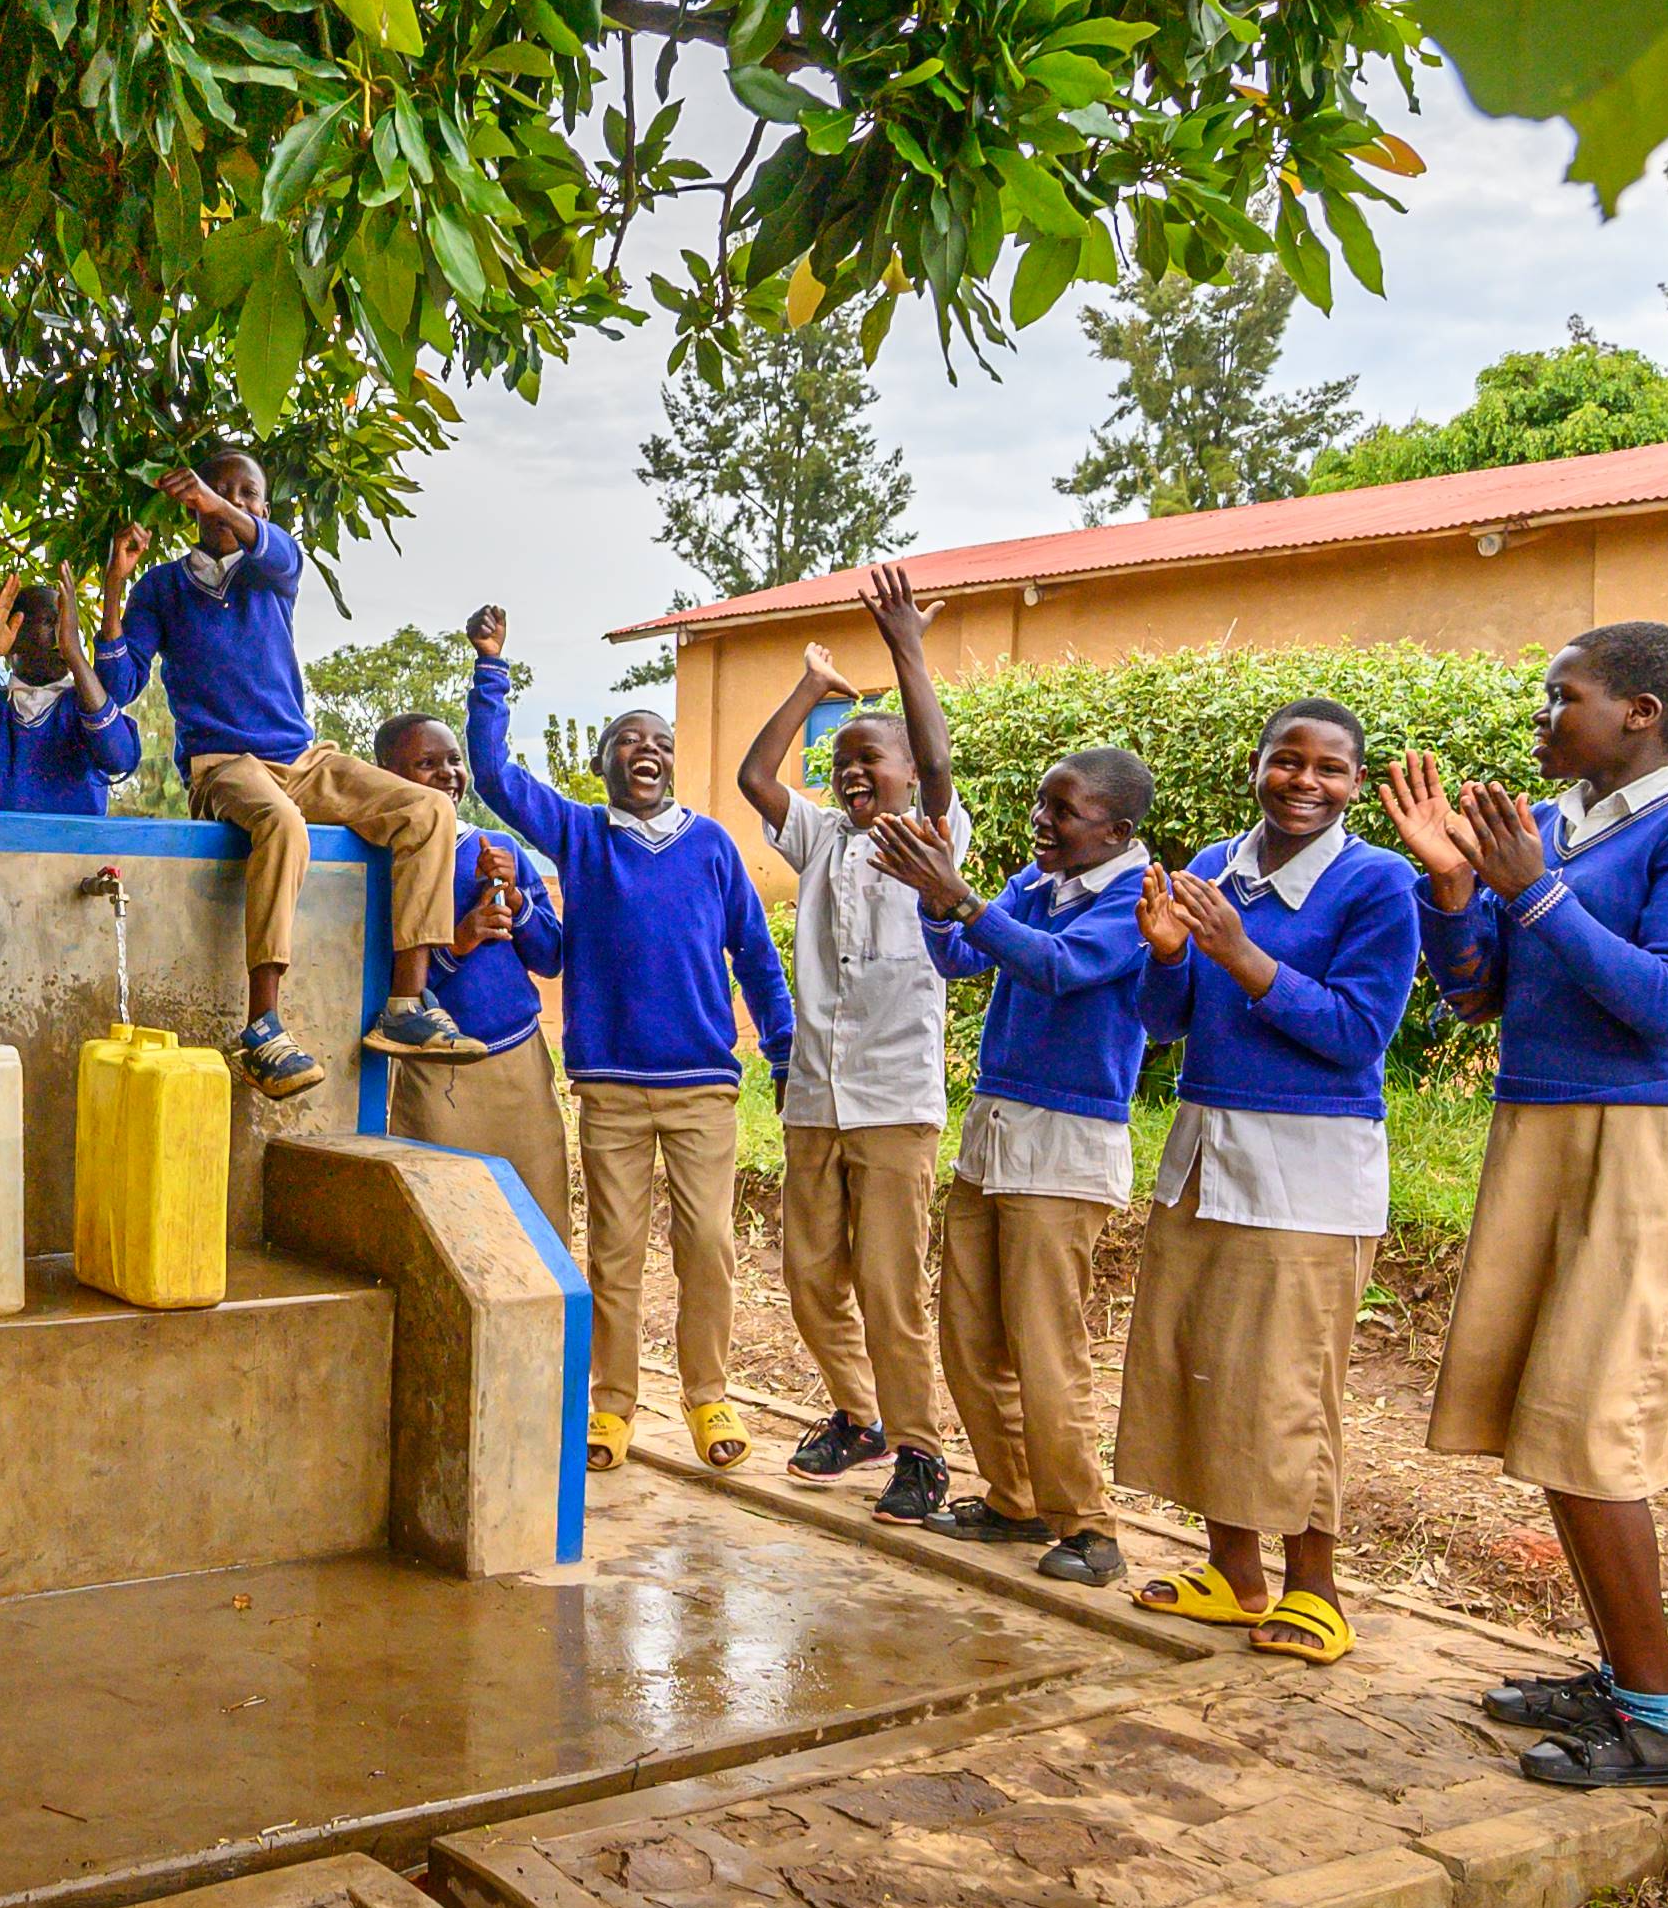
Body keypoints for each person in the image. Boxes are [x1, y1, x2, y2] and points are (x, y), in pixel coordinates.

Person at [1393, 623, 1668, 1784]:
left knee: (1596, 1427)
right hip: (1539, 1125)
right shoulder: (1543, 832)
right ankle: (1617, 1672)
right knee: (1552, 1418)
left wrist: (1533, 892)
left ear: (1640, 714)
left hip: (1644, 1138)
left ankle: (1663, 1722)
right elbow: (1476, 996)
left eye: (1565, 697)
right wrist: (1454, 889)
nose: (1545, 715)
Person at [1111, 698, 1425, 1667]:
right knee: (1195, 1368)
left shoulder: (1377, 885)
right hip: (1207, 1154)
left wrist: (1239, 955)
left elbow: (1353, 1034)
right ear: (1254, 767)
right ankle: (1231, 1574)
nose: (1302, 782)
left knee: (1288, 1386)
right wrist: (1167, 952)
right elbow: (1164, 1021)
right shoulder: (1212, 868)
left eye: (1327, 768)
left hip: (1307, 1175)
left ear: (1354, 786)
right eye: (1285, 762)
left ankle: (1315, 1592)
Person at [464, 608, 791, 1470]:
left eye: (658, 741)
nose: (645, 750)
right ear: (604, 763)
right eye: (626, 741)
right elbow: (493, 772)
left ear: (671, 762)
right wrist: (492, 669)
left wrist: (785, 1051)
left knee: (711, 1249)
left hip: (702, 1088)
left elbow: (756, 955)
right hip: (608, 1086)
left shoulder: (713, 845)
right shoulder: (580, 836)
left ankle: (709, 1396)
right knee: (613, 1253)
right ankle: (610, 1406)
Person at [876, 748, 1159, 1590]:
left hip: (1065, 1144)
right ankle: (1016, 1493)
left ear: (1116, 829)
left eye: (1062, 810)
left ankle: (1089, 1526)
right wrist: (940, 902)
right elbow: (964, 957)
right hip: (997, 1131)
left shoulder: (1131, 900)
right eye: (1041, 802)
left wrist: (962, 898)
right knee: (969, 1333)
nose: (1041, 819)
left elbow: (1058, 967)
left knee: (1044, 1342)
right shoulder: (1040, 886)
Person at [112, 457, 476, 1095]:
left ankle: (406, 1007)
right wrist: (116, 586)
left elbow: (273, 550)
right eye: (217, 490)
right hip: (223, 764)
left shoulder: (273, 569)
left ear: (265, 511)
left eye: (247, 494)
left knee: (429, 811)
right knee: (282, 825)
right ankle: (262, 1027)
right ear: (188, 510)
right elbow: (118, 684)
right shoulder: (160, 590)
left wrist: (215, 502)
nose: (231, 502)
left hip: (302, 758)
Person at [733, 563, 972, 1518]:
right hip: (814, 1097)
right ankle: (859, 1415)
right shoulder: (825, 837)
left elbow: (942, 765)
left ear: (910, 776)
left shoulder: (930, 836)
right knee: (806, 1274)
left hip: (894, 1102)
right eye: (846, 763)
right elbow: (757, 776)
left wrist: (905, 648)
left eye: (878, 759)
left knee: (889, 1284)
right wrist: (812, 687)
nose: (859, 771)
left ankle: (921, 1449)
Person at [373, 709, 573, 1232]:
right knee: (447, 1227)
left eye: (454, 760)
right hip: (435, 1077)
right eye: (425, 763)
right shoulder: (381, 863)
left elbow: (551, 958)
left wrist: (517, 904)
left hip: (518, 1065)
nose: (447, 773)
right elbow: (375, 982)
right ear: (385, 776)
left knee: (538, 1218)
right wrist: (456, 944)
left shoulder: (497, 850)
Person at [0, 573, 143, 817]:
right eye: (51, 622)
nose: (63, 634)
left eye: (68, 625)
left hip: (75, 852)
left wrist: (76, 656)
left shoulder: (84, 704)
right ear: (13, 632)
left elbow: (119, 759)